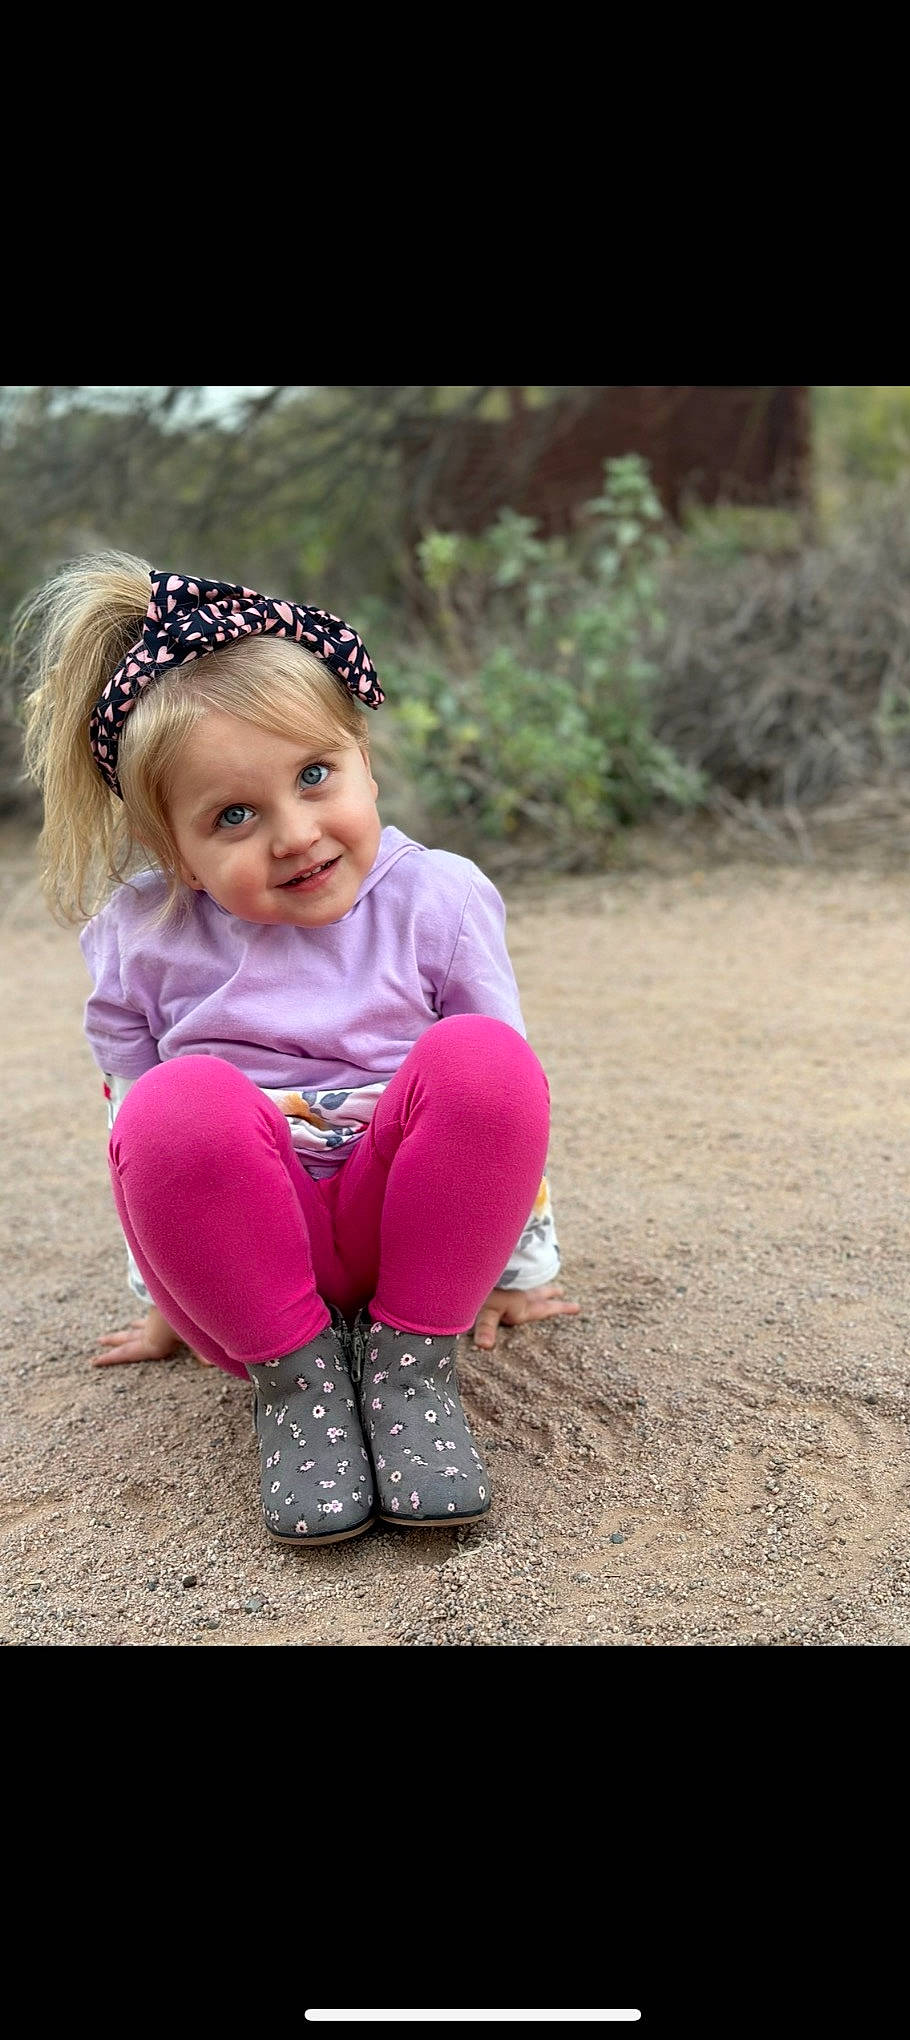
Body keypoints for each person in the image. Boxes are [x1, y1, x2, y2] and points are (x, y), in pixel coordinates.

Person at [19, 552, 579, 1546]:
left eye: (315, 775)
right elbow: (136, 1136)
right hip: (247, 1276)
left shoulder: (437, 900)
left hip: (412, 1244)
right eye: (233, 815)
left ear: (363, 755)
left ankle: (410, 1369)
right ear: (173, 851)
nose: (294, 833)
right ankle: (300, 1392)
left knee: (481, 1057)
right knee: (174, 1102)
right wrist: (171, 1296)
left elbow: (503, 1106)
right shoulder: (142, 936)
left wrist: (517, 1267)